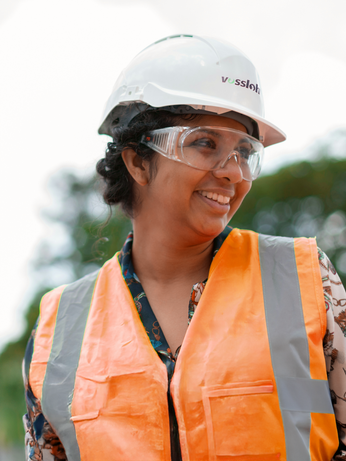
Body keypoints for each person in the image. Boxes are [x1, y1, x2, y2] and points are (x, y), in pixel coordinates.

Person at [22, 34, 346, 461]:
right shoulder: (58, 331)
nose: (234, 174)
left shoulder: (303, 279)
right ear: (138, 161)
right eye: (205, 143)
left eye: (245, 151)